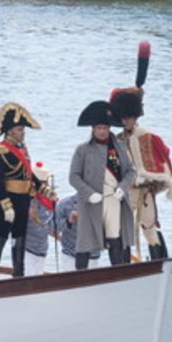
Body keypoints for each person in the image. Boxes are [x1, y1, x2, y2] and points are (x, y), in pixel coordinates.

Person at [110, 86, 172, 260]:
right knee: (125, 230)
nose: (126, 122)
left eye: (129, 118)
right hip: (126, 191)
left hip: (144, 192)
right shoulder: (118, 140)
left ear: (135, 117)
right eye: (124, 118)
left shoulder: (147, 136)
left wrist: (148, 179)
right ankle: (123, 266)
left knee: (149, 227)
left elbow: (159, 163)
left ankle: (159, 261)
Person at [68, 100, 136, 268]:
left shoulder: (119, 147)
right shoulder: (82, 149)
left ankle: (118, 275)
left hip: (113, 198)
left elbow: (131, 171)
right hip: (91, 201)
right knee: (84, 242)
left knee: (116, 238)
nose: (102, 131)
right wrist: (89, 194)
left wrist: (122, 187)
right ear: (93, 129)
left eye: (105, 128)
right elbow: (73, 176)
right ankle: (80, 278)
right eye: (99, 128)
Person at [0, 102, 42, 279]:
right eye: (19, 129)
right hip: (7, 199)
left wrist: (44, 189)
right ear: (10, 130)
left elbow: (28, 173)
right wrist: (6, 206)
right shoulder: (0, 151)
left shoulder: (22, 149)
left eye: (22, 129)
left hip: (22, 199)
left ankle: (19, 273)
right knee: (0, 236)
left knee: (19, 236)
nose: (23, 132)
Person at [23, 162, 59, 275]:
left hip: (42, 248)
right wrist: (27, 215)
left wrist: (61, 238)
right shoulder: (26, 200)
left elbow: (49, 226)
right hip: (27, 248)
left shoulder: (51, 203)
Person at [55, 192, 101, 271]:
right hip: (70, 255)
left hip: (93, 256)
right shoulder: (65, 204)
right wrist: (68, 221)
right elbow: (53, 227)